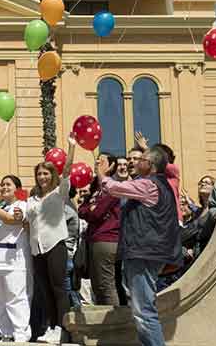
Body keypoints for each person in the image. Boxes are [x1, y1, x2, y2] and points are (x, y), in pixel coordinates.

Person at [101, 147, 181, 346]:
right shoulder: (152, 184)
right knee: (142, 308)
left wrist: (101, 173)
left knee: (143, 311)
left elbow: (112, 187)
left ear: (150, 165)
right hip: (146, 252)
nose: (135, 162)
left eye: (142, 159)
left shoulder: (149, 185)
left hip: (144, 253)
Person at [24, 137, 77, 345]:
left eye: (46, 173)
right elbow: (27, 220)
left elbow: (67, 171)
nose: (42, 177)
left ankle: (62, 328)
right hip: (37, 249)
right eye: (39, 174)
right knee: (45, 291)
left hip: (55, 245)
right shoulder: (32, 198)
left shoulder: (59, 193)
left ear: (51, 175)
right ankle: (52, 327)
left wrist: (71, 147)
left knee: (58, 289)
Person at [0, 175, 32, 343]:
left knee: (16, 297)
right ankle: (6, 334)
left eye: (7, 184)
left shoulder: (22, 205)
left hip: (14, 261)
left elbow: (13, 220)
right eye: (2, 184)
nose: (3, 187)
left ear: (17, 188)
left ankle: (21, 334)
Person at [78, 160, 122, 306]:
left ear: (111, 166)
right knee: (97, 286)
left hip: (107, 239)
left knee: (106, 285)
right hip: (94, 239)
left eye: (102, 160)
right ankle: (104, 320)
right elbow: (82, 209)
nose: (97, 162)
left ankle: (114, 320)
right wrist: (90, 208)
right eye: (96, 160)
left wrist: (91, 209)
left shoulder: (112, 187)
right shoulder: (95, 189)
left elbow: (96, 213)